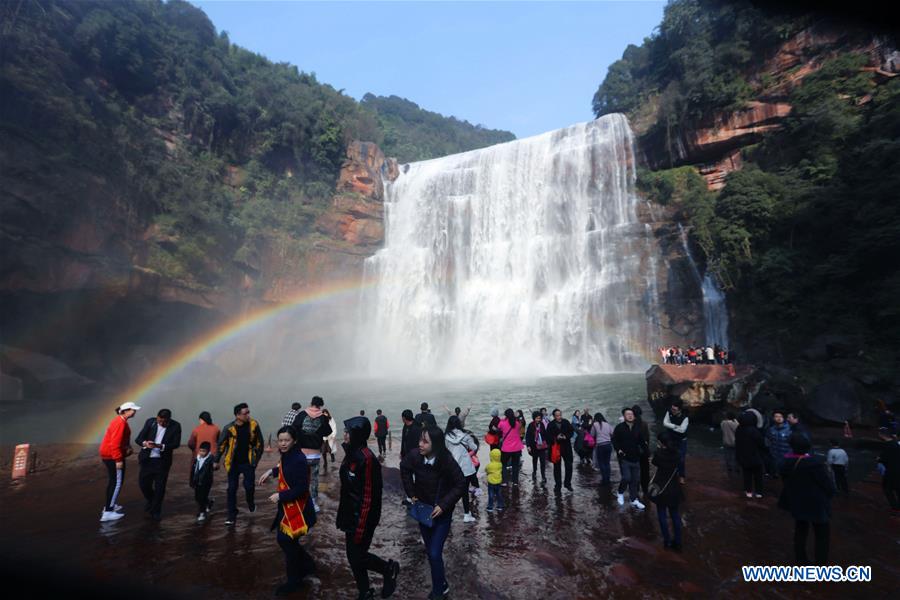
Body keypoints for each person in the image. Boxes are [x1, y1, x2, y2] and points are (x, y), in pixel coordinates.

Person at [400, 426, 467, 600]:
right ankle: (442, 583)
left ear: (435, 444)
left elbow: (460, 484)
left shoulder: (446, 460)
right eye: (420, 440)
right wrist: (411, 493)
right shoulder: (415, 456)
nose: (420, 444)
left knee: (435, 553)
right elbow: (404, 467)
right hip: (424, 513)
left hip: (442, 515)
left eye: (425, 441)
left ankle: (438, 593)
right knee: (431, 552)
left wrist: (443, 505)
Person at [337, 416, 400, 600]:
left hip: (363, 517)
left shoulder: (367, 459)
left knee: (357, 556)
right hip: (351, 514)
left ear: (356, 434)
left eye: (347, 433)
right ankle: (365, 592)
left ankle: (388, 569)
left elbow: (368, 496)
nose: (344, 436)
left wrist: (360, 525)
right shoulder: (351, 454)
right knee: (353, 556)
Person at [258, 426, 316, 596]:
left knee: (286, 541)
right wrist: (271, 471)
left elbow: (302, 488)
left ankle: (294, 581)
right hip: (289, 508)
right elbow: (284, 469)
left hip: (300, 509)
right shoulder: (288, 455)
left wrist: (280, 496)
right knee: (287, 542)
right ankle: (307, 565)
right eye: (280, 440)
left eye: (286, 440)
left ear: (294, 441)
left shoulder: (299, 459)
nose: (282, 444)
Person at [778, 432, 835, 565]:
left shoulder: (786, 462)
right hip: (816, 503)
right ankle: (821, 562)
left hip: (798, 501)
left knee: (800, 530)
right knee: (822, 534)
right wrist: (831, 494)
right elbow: (827, 484)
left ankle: (800, 558)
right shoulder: (815, 463)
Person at [217, 402, 265, 527]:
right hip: (233, 463)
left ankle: (250, 502)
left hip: (248, 463)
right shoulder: (229, 428)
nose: (248, 415)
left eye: (249, 412)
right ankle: (231, 515)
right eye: (245, 413)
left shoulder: (253, 425)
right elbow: (221, 445)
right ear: (237, 415)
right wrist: (216, 460)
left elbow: (260, 443)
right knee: (231, 489)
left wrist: (256, 460)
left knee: (249, 486)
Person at [134, 408, 182, 521]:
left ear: (168, 420)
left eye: (163, 422)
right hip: (147, 460)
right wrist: (145, 443)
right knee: (143, 485)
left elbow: (176, 444)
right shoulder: (150, 422)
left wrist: (161, 446)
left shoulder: (176, 426)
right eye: (159, 420)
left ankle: (156, 511)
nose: (161, 423)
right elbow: (138, 439)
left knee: (160, 487)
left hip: (162, 462)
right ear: (157, 417)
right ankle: (152, 501)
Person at [99, 401, 140, 522]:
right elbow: (114, 443)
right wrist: (118, 459)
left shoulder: (120, 420)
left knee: (114, 481)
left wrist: (127, 447)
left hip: (109, 454)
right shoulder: (120, 423)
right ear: (126, 411)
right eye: (133, 410)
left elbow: (120, 440)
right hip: (112, 456)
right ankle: (108, 512)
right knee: (116, 482)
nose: (134, 412)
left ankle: (110, 505)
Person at [292, 396, 333, 512]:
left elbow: (293, 429)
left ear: (311, 403)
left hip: (302, 453)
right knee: (314, 479)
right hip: (315, 454)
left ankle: (300, 501)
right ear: (320, 405)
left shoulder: (302, 415)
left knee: (301, 477)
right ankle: (314, 503)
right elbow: (328, 432)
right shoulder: (323, 418)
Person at [650, 431, 683, 550]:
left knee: (662, 515)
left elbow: (654, 462)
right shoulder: (678, 453)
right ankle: (678, 542)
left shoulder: (659, 453)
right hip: (674, 487)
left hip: (661, 487)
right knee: (675, 515)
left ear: (661, 443)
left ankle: (667, 541)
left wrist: (659, 449)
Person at [445, 416, 478, 522]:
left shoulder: (446, 436)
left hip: (452, 466)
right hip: (465, 467)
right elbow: (474, 447)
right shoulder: (465, 435)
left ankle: (448, 514)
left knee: (451, 491)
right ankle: (466, 515)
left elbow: (444, 451)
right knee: (464, 492)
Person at [612, 407, 645, 509]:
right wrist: (618, 450)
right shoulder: (619, 427)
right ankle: (620, 492)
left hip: (636, 457)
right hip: (624, 458)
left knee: (635, 480)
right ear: (624, 416)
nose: (630, 415)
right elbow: (614, 440)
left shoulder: (637, 427)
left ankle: (633, 499)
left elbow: (641, 440)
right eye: (627, 414)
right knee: (626, 477)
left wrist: (644, 449)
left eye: (631, 414)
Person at [735, 412, 766, 498]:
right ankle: (758, 492)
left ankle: (748, 491)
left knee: (746, 475)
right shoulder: (754, 431)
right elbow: (761, 443)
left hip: (743, 456)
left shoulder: (739, 429)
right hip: (755, 457)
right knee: (758, 475)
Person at [546, 408, 574, 493]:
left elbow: (571, 431)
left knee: (569, 465)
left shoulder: (566, 422)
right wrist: (556, 438)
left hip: (566, 446)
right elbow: (548, 437)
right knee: (557, 467)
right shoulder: (551, 424)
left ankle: (567, 483)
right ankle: (558, 485)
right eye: (557, 415)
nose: (559, 417)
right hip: (556, 448)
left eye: (560, 415)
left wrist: (566, 436)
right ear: (554, 416)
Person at [187, 411, 220, 482]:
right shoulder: (216, 429)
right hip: (211, 455)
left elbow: (190, 443)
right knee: (208, 474)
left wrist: (195, 450)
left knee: (197, 472)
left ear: (201, 419)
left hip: (199, 455)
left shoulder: (197, 429)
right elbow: (219, 442)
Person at [662, 399, 689, 483]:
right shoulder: (669, 412)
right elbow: (664, 423)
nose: (672, 410)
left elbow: (682, 430)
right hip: (671, 438)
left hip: (681, 440)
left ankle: (681, 476)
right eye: (672, 408)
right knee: (669, 456)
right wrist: (675, 426)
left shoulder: (685, 417)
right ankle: (672, 474)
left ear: (680, 410)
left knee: (681, 459)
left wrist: (671, 426)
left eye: (674, 409)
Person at [190, 441, 215, 522]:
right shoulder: (196, 459)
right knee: (197, 497)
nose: (201, 453)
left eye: (203, 451)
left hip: (206, 482)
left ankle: (202, 513)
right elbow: (193, 470)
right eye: (200, 450)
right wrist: (191, 480)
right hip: (197, 481)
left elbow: (214, 467)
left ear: (208, 451)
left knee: (202, 497)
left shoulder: (210, 459)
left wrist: (215, 466)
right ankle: (209, 502)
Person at [498, 408, 523, 486]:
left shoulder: (502, 423)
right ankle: (515, 482)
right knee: (515, 465)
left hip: (506, 449)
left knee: (504, 465)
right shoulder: (517, 423)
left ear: (506, 415)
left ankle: (504, 481)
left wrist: (503, 420)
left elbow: (498, 427)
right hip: (517, 448)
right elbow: (519, 427)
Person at [876, 427, 900, 511]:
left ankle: (895, 506)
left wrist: (879, 459)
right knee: (897, 488)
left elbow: (883, 459)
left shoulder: (886, 446)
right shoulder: (895, 443)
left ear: (881, 435)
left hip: (891, 470)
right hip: (897, 468)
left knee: (887, 488)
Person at [525, 411, 549, 485]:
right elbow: (527, 436)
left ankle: (543, 476)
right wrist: (528, 446)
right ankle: (534, 472)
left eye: (540, 418)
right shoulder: (531, 425)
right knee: (535, 460)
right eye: (537, 418)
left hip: (542, 446)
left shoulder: (541, 424)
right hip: (534, 446)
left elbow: (544, 434)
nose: (538, 419)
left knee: (542, 462)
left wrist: (547, 443)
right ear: (534, 418)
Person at [766, 410, 792, 478]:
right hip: (774, 456)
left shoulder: (790, 429)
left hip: (786, 456)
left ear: (784, 418)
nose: (779, 418)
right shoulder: (771, 429)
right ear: (773, 418)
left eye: (781, 416)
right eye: (776, 416)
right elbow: (768, 441)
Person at [591, 412, 614, 486]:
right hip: (608, 445)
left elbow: (592, 434)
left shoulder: (595, 424)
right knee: (607, 463)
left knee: (601, 463)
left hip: (600, 446)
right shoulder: (607, 424)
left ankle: (604, 479)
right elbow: (612, 433)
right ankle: (608, 478)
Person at [632, 405, 651, 494]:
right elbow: (647, 438)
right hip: (644, 451)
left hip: (635, 452)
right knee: (645, 471)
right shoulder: (644, 424)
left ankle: (636, 489)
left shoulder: (631, 425)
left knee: (635, 471)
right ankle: (645, 489)